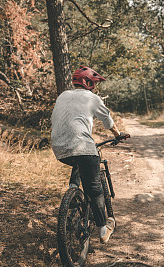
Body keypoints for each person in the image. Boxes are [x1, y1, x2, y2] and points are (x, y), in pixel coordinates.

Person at [51, 65, 129, 244]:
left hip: (59, 148)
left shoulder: (62, 96)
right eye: (94, 83)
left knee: (78, 161)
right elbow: (108, 121)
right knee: (95, 189)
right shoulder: (93, 98)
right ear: (88, 83)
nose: (95, 87)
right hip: (84, 147)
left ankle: (73, 191)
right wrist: (119, 135)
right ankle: (103, 228)